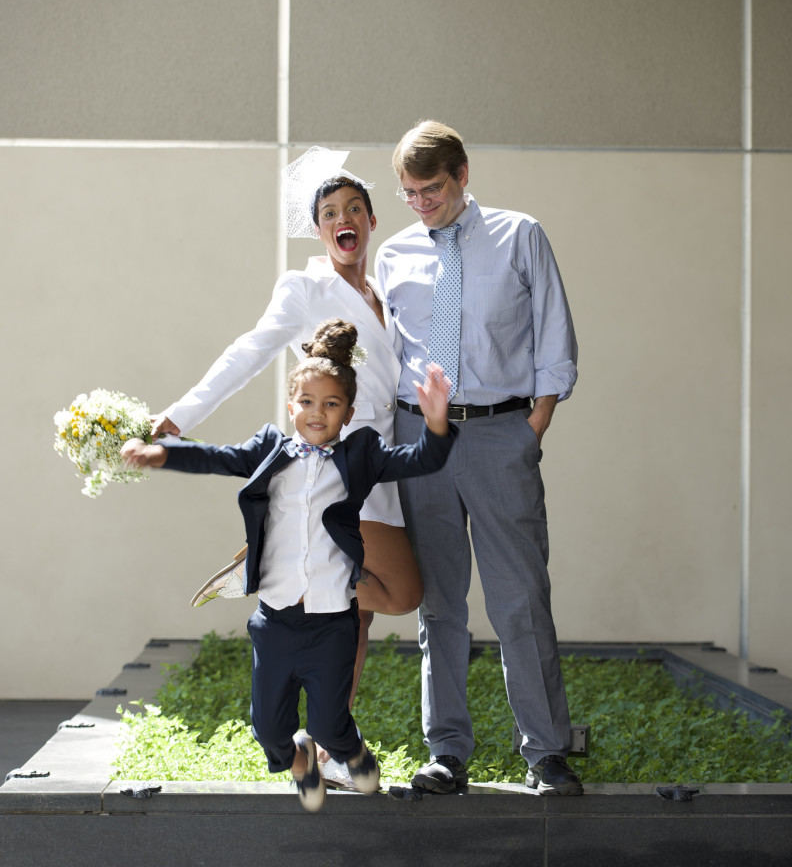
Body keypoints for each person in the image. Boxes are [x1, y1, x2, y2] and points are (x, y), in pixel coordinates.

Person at [151, 147, 420, 787]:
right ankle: (292, 562)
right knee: (400, 594)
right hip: (338, 468)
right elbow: (249, 351)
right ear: (319, 227)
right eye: (330, 212)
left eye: (354, 207)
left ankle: (330, 738)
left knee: (358, 613)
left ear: (372, 219)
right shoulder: (305, 287)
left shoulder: (389, 292)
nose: (343, 218)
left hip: (381, 461)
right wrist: (181, 416)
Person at [122, 319, 456, 811]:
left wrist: (436, 422)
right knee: (268, 729)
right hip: (276, 619)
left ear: (348, 412)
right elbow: (216, 457)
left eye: (331, 404)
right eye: (306, 402)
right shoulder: (269, 451)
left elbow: (423, 459)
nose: (316, 413)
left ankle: (349, 751)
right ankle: (299, 759)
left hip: (331, 623)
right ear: (290, 405)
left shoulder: (360, 455)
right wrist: (160, 454)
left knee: (328, 722)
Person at [375, 120, 583, 797]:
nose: (420, 204)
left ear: (463, 174)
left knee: (520, 597)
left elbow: (554, 331)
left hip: (499, 432)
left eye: (430, 189)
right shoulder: (395, 253)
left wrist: (535, 423)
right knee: (441, 602)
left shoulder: (521, 236)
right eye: (408, 193)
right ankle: (448, 753)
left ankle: (548, 753)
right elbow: (387, 355)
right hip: (421, 440)